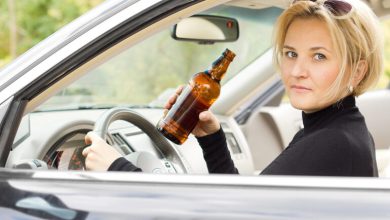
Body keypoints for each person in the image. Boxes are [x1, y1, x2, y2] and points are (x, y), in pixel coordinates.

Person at [82, 0, 383, 176]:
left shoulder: (334, 142)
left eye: (319, 56)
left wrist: (118, 168)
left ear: (357, 70)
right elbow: (244, 204)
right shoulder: (338, 130)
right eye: (291, 53)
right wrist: (212, 138)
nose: (297, 71)